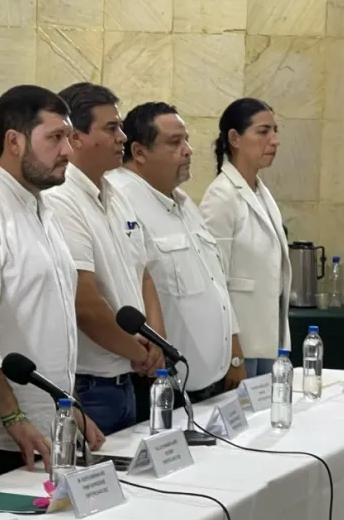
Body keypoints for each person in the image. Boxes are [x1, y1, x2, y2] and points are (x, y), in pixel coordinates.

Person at [0, 85, 105, 482]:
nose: (68, 150)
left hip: (48, 431)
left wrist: (69, 407)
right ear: (13, 141)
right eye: (55, 138)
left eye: (67, 137)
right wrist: (14, 418)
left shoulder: (41, 206)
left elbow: (49, 325)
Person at [43, 83, 166, 436]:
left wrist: (155, 341)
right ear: (75, 136)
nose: (123, 137)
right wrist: (138, 351)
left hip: (127, 377)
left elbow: (143, 274)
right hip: (90, 384)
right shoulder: (62, 199)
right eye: (111, 128)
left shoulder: (115, 193)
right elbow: (85, 301)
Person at [109, 102, 244, 402]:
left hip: (211, 380)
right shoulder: (120, 201)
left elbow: (215, 282)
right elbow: (133, 284)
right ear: (139, 152)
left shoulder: (182, 201)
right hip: (162, 386)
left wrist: (234, 353)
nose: (188, 150)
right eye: (174, 142)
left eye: (186, 140)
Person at [200, 98, 292, 377]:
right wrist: (233, 350)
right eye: (263, 132)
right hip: (240, 345)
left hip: (267, 338)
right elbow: (214, 279)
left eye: (275, 131)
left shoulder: (261, 192)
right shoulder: (221, 196)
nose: (274, 140)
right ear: (235, 138)